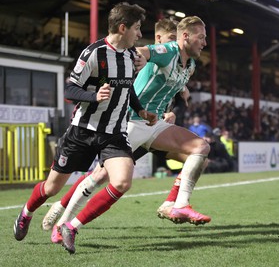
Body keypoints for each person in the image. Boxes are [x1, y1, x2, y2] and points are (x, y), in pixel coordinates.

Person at [51, 16, 211, 254]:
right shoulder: (167, 50)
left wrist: (182, 93)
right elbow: (143, 51)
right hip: (131, 123)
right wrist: (137, 58)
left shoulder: (190, 66)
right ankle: (62, 220)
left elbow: (173, 85)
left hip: (155, 125)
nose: (205, 43)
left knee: (201, 149)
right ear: (185, 36)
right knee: (100, 176)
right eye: (202, 37)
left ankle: (177, 204)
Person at [13, 3, 157, 254]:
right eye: (136, 28)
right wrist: (93, 96)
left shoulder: (131, 55)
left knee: (122, 182)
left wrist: (141, 109)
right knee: (51, 188)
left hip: (114, 132)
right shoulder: (93, 53)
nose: (139, 33)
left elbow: (125, 86)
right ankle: (26, 213)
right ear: (122, 28)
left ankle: (70, 226)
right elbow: (69, 89)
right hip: (83, 131)